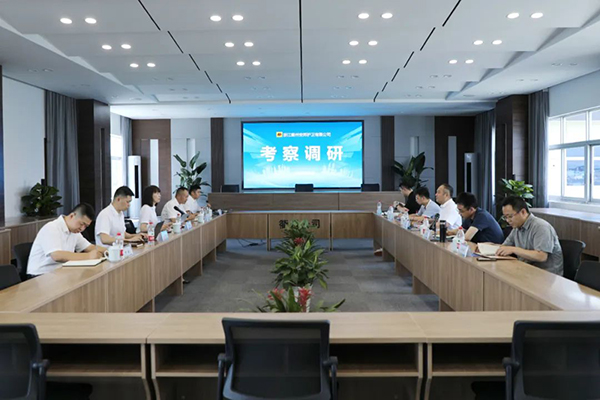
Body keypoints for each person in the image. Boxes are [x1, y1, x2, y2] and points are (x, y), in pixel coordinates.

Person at [27, 203, 106, 276]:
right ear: (72, 216)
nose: (82, 229)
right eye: (82, 224)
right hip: (40, 275)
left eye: (85, 226)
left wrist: (108, 251)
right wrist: (88, 256)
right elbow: (57, 256)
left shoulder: (74, 232)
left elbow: (89, 247)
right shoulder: (52, 228)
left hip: (59, 273)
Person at [496, 196, 563, 275]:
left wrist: (514, 249)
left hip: (547, 275)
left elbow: (541, 256)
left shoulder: (541, 227)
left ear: (523, 212)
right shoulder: (516, 227)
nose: (508, 220)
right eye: (505, 217)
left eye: (510, 216)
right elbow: (504, 247)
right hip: (526, 271)